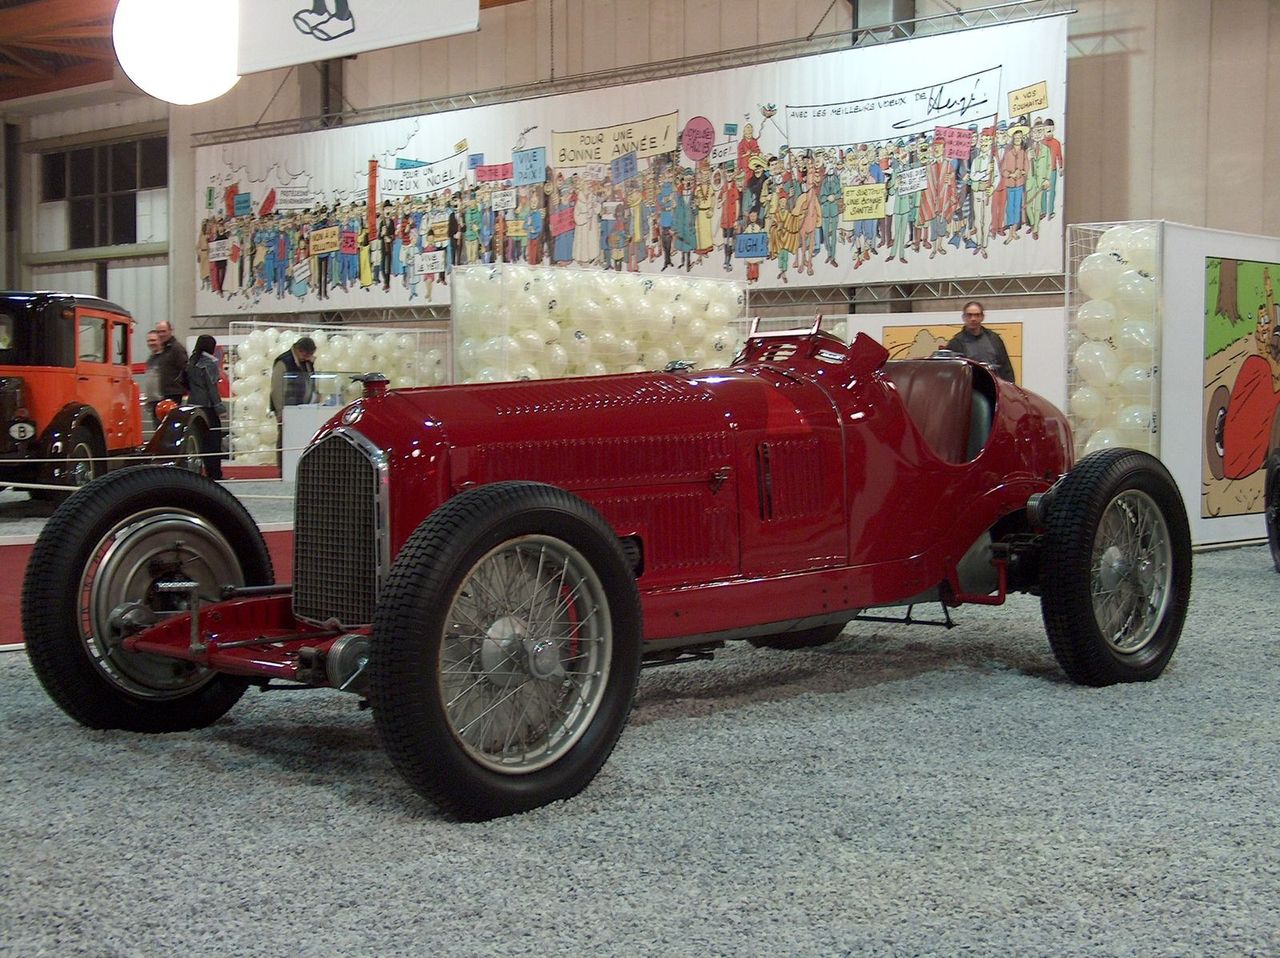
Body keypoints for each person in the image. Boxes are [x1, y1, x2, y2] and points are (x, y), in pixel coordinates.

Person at [185, 335, 227, 480]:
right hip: (208, 407)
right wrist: (220, 408)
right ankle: (215, 474)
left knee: (200, 441)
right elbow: (212, 388)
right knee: (213, 442)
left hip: (192, 404)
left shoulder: (191, 361)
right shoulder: (209, 363)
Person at [946, 301, 1016, 383]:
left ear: (982, 317)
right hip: (970, 390)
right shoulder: (955, 343)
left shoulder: (994, 338)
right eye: (969, 315)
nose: (973, 319)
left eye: (977, 315)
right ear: (963, 317)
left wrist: (1010, 386)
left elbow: (1005, 366)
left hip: (996, 387)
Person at [154, 319, 188, 405]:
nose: (161, 334)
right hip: (164, 393)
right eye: (158, 332)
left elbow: (185, 369)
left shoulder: (176, 348)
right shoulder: (164, 349)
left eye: (163, 331)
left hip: (174, 393)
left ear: (170, 331)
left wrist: (181, 387)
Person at [142, 330, 164, 427]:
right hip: (153, 402)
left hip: (163, 401)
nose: (151, 343)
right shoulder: (150, 359)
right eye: (149, 341)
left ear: (160, 341)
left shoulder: (165, 358)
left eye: (153, 340)